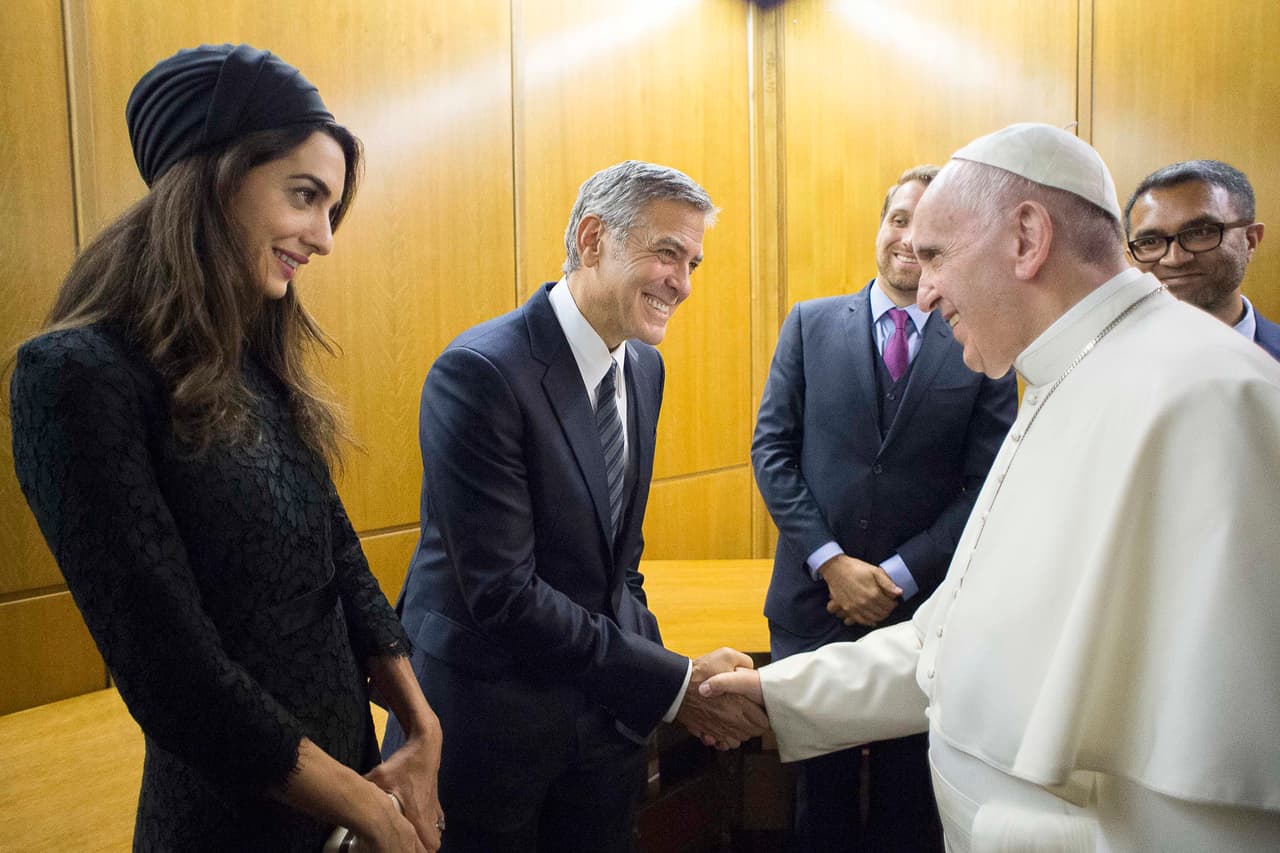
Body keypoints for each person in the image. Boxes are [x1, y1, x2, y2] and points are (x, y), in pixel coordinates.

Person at [702, 124, 1280, 850]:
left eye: (938, 254)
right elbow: (949, 643)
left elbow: (1221, 786)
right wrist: (775, 693)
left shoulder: (1213, 398)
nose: (926, 284)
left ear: (1026, 238)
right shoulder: (1062, 377)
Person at [8, 44, 443, 853]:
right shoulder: (73, 376)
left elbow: (335, 551)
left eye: (331, 207)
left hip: (345, 789)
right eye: (304, 196)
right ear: (216, 178)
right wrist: (366, 806)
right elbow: (172, 673)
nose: (323, 237)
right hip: (228, 820)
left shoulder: (251, 349)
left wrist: (420, 726)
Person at [383, 160, 766, 852]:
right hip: (490, 728)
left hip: (600, 725)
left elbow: (619, 565)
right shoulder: (481, 372)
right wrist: (675, 682)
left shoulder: (644, 367)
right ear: (593, 239)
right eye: (667, 253)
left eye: (693, 263)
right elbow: (504, 593)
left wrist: (667, 682)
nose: (681, 283)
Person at [752, 164, 1015, 851]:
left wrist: (896, 573)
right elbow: (772, 451)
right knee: (818, 808)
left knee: (911, 808)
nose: (908, 238)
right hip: (812, 607)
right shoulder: (809, 325)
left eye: (928, 228)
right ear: (881, 226)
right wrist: (831, 561)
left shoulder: (982, 341)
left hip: (925, 610)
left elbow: (987, 483)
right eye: (898, 218)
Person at [1124, 159, 1279, 358]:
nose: (1175, 259)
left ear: (1250, 240)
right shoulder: (1099, 362)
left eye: (1201, 232)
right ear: (1130, 259)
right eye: (1150, 241)